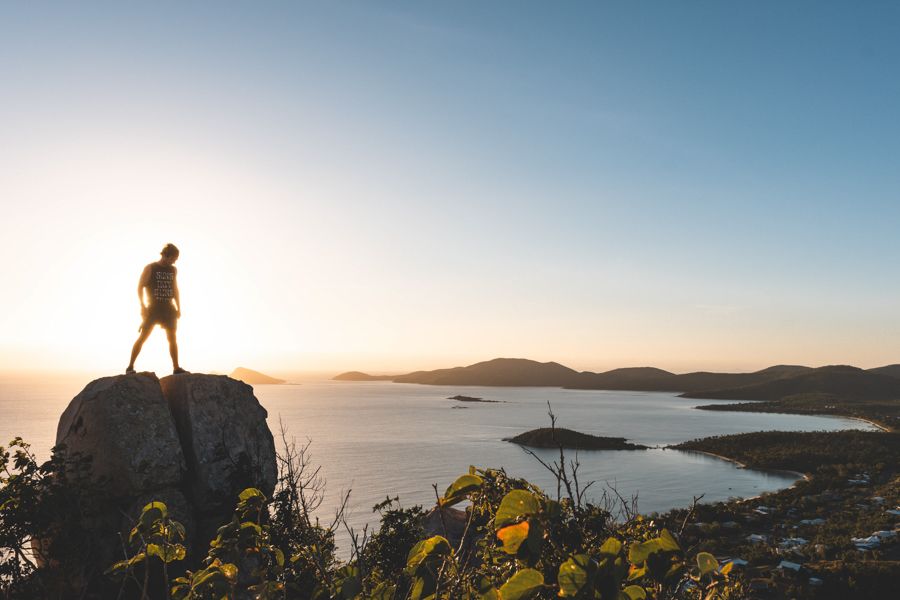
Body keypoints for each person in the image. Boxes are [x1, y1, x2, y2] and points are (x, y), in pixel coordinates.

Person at [126, 243, 187, 375]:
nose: (174, 261)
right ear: (166, 255)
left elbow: (175, 289)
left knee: (172, 338)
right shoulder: (150, 268)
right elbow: (140, 287)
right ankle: (130, 367)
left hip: (169, 308)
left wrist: (178, 307)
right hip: (153, 308)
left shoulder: (173, 270)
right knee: (143, 336)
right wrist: (142, 306)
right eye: (173, 258)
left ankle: (176, 368)